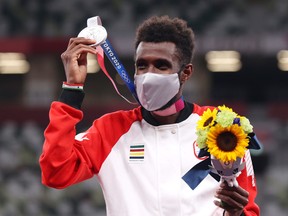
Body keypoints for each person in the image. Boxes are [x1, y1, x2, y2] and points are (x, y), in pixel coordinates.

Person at [39, 15, 260, 216]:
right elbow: (55, 172)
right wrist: (72, 89)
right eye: (142, 66)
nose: (148, 75)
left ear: (186, 73)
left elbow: (248, 210)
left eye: (161, 66)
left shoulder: (223, 127)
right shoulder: (110, 130)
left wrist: (235, 214)